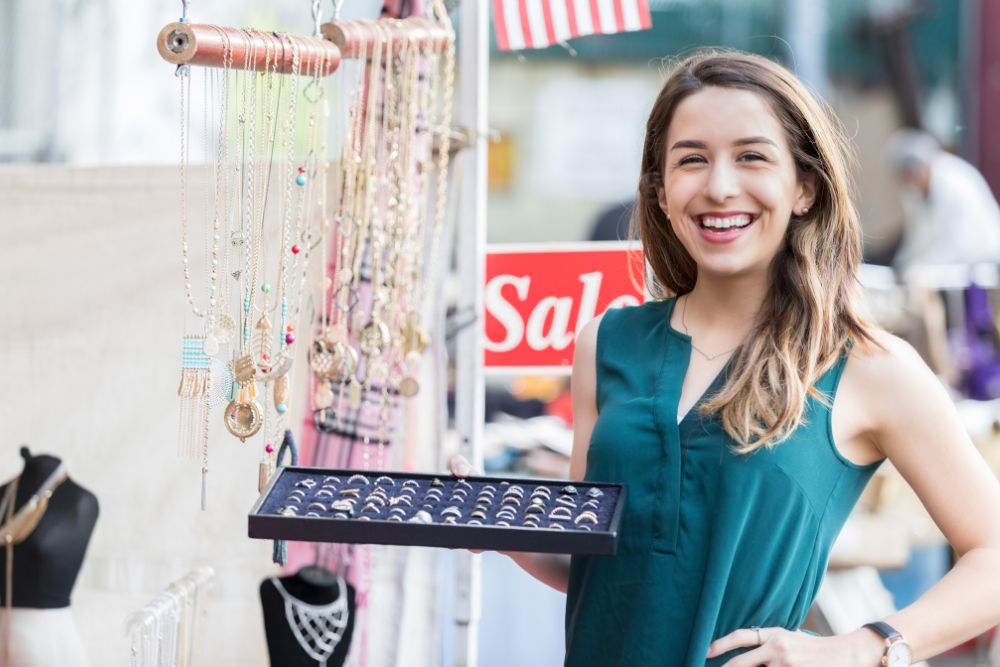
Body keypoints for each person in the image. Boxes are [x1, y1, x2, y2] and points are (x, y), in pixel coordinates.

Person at [452, 49, 1000, 666]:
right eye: (691, 160)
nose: (718, 186)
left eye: (751, 156)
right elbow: (596, 555)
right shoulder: (605, 342)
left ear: (805, 188)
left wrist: (860, 647)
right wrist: (493, 521)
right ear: (660, 192)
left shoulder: (867, 365)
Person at [887, 128, 1000, 270]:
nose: (907, 182)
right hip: (951, 266)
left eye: (908, 174)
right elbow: (916, 238)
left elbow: (959, 242)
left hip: (983, 261)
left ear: (919, 167)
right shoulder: (913, 192)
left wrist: (920, 268)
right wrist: (900, 266)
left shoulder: (953, 180)